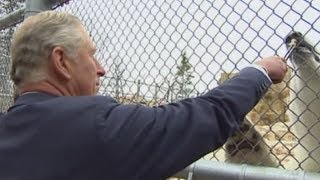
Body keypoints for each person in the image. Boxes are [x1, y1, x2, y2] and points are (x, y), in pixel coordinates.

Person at [0, 11, 287, 180]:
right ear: (61, 62)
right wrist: (260, 72)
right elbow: (205, 116)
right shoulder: (98, 128)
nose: (101, 69)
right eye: (92, 55)